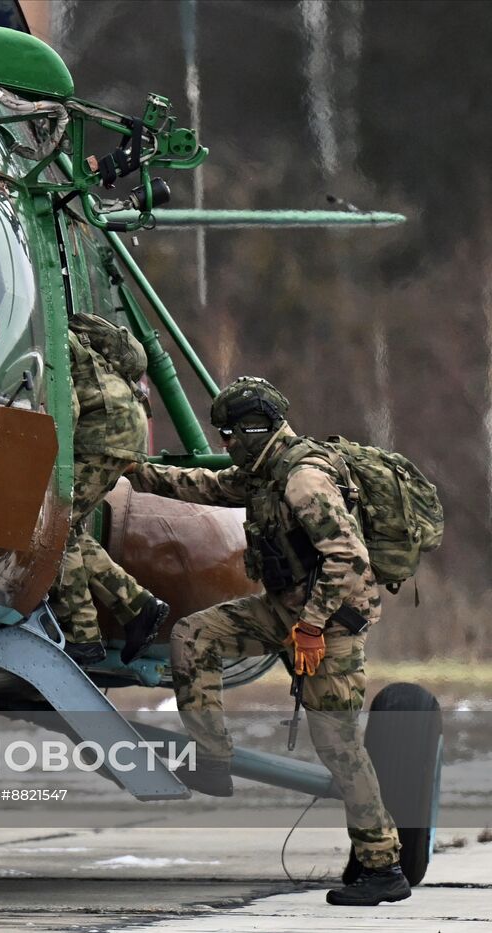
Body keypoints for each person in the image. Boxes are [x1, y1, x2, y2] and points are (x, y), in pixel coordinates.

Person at [128, 376, 409, 907]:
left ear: (256, 429)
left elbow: (347, 559)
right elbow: (204, 488)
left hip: (330, 622)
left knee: (339, 746)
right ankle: (212, 760)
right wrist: (130, 469)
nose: (226, 444)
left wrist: (310, 628)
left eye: (232, 433)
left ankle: (382, 865)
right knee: (193, 635)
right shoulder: (262, 473)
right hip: (284, 608)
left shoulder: (303, 480)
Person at [56, 313, 169, 667]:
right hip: (118, 431)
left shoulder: (60, 340)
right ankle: (138, 607)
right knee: (68, 527)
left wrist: (58, 451)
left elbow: (69, 405)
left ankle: (83, 636)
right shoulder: (83, 343)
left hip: (100, 436)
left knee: (52, 529)